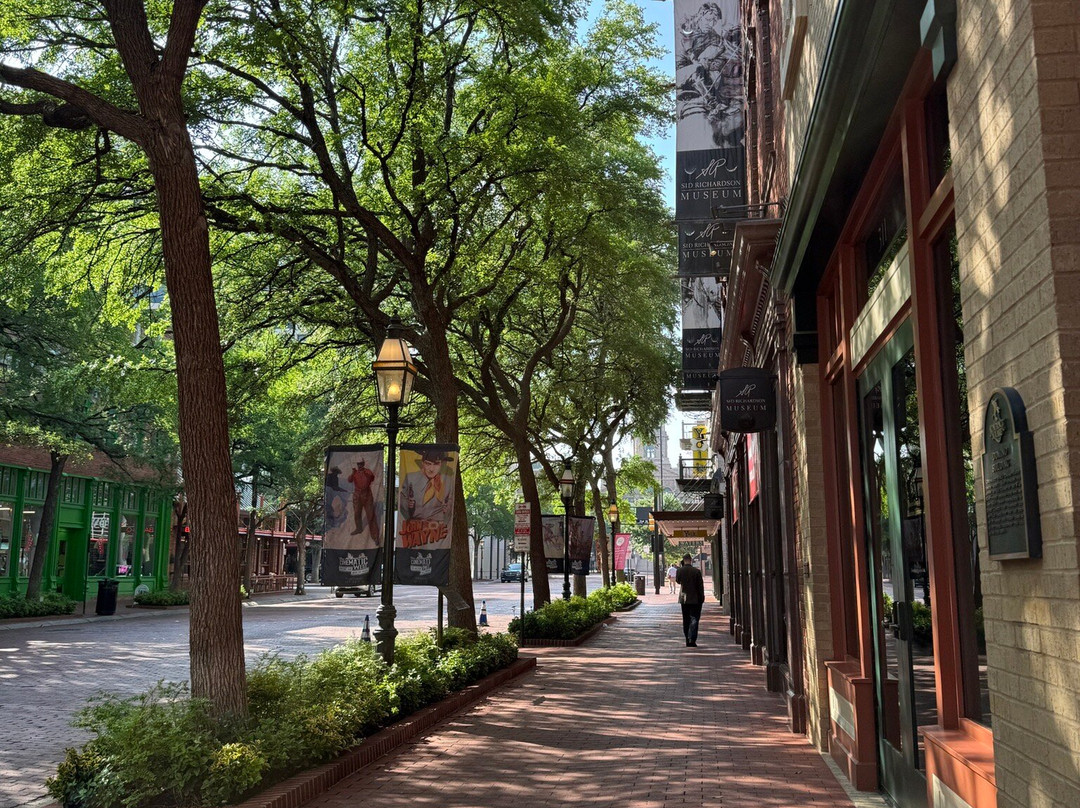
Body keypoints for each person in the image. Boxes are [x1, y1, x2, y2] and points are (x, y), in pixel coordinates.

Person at [399, 449, 454, 521]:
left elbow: (450, 504)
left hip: (437, 527)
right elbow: (402, 500)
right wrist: (408, 505)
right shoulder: (411, 478)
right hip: (414, 526)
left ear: (441, 464)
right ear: (422, 463)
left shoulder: (447, 481)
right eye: (428, 464)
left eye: (436, 464)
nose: (431, 469)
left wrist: (447, 509)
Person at [675, 554, 705, 647]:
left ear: (683, 560)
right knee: (694, 618)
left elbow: (678, 581)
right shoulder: (696, 571)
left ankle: (687, 639)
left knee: (686, 619)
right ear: (691, 560)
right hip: (695, 598)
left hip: (684, 598)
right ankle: (692, 639)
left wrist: (681, 566)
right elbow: (700, 586)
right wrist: (701, 597)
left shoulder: (680, 570)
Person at [347, 460, 378, 543]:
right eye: (358, 464)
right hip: (357, 494)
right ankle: (359, 528)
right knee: (357, 513)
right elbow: (349, 480)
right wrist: (353, 473)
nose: (359, 465)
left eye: (361, 464)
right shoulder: (355, 473)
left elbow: (371, 477)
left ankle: (375, 536)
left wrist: (364, 473)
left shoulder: (367, 471)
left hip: (367, 494)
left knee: (370, 515)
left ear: (363, 464)